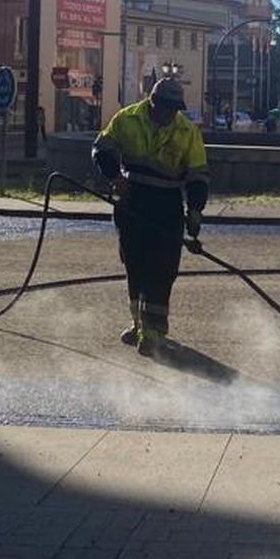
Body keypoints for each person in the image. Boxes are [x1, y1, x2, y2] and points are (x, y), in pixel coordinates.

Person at [92, 77, 208, 357]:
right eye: (167, 107)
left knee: (163, 271)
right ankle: (139, 325)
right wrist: (115, 178)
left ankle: (153, 332)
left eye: (175, 108)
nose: (171, 113)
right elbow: (101, 149)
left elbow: (197, 175)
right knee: (136, 266)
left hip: (166, 209)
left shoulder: (187, 131)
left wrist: (195, 210)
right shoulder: (127, 119)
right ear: (153, 102)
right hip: (132, 205)